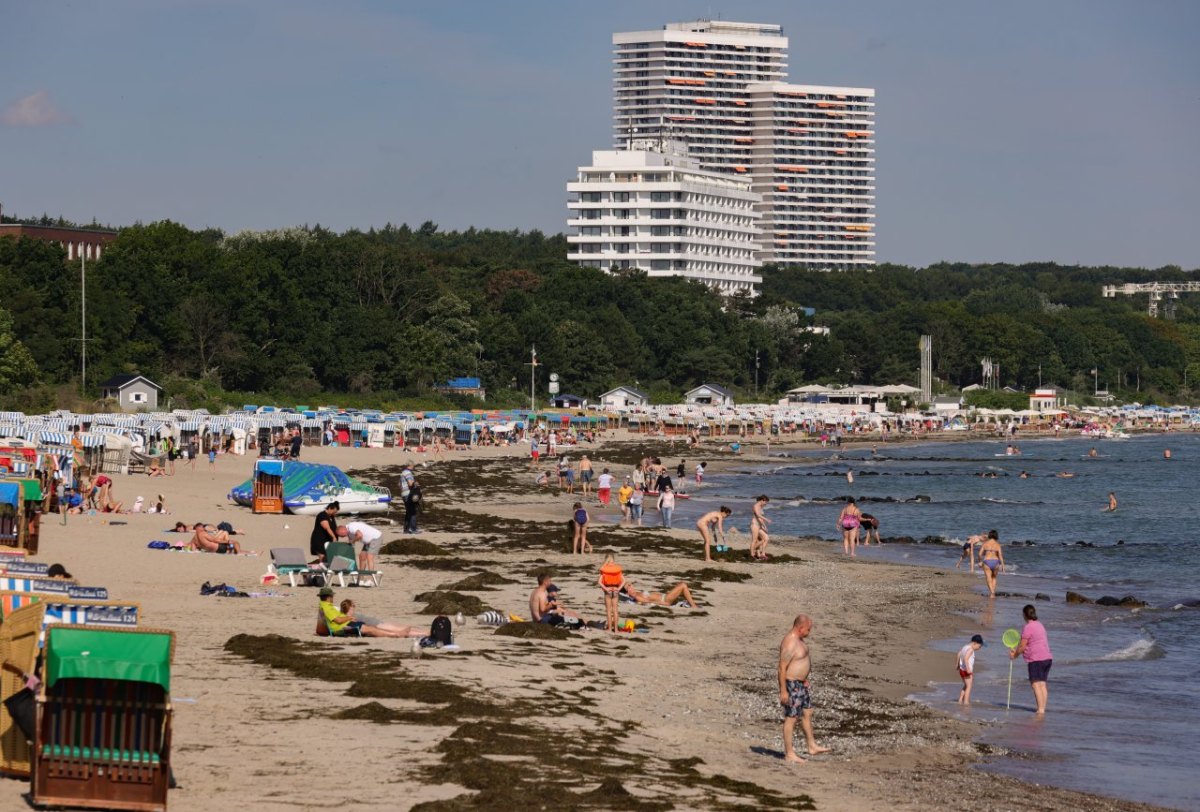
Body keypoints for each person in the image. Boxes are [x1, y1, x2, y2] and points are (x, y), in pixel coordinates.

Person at [778, 614, 831, 763]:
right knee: (791, 718)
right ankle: (789, 753)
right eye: (808, 629)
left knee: (807, 712)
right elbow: (782, 668)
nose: (810, 632)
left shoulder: (799, 639)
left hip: (801, 684)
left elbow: (798, 661)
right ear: (800, 628)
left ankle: (812, 745)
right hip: (792, 685)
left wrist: (804, 678)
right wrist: (783, 690)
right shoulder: (790, 643)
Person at [318, 587, 422, 638]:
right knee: (371, 630)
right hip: (343, 627)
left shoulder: (326, 606)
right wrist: (349, 618)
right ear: (329, 597)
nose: (333, 597)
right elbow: (338, 620)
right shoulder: (327, 608)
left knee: (372, 628)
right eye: (332, 596)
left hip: (346, 625)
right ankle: (395, 635)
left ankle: (395, 633)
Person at [1010, 604, 1053, 714]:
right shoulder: (1040, 625)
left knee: (1035, 684)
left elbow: (1022, 646)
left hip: (1036, 659)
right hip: (1047, 658)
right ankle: (1042, 708)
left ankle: (1040, 710)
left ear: (1024, 615)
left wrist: (1014, 655)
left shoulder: (1028, 627)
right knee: (1042, 684)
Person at [598, 554, 625, 632]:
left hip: (608, 591)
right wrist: (619, 589)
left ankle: (610, 628)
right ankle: (616, 629)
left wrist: (606, 588)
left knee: (609, 610)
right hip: (616, 590)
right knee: (615, 610)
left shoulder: (605, 570)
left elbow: (599, 582)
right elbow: (624, 581)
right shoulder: (617, 570)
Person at [623, 580, 697, 608]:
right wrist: (662, 603)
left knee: (681, 584)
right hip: (665, 599)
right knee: (683, 585)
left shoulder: (637, 593)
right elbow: (648, 602)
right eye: (628, 587)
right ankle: (694, 606)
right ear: (627, 592)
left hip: (665, 596)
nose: (631, 586)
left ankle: (692, 604)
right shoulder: (636, 596)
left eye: (630, 584)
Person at [957, 634, 986, 705]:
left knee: (966, 685)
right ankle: (966, 702)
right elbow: (966, 658)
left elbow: (959, 653)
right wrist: (968, 669)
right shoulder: (970, 649)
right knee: (969, 686)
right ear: (975, 643)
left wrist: (957, 664)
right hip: (966, 670)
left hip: (962, 670)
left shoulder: (965, 647)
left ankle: (960, 700)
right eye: (979, 646)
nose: (979, 648)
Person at [977, 529, 1005, 597]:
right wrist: (1003, 567)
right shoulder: (998, 545)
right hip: (996, 562)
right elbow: (1000, 555)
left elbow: (979, 554)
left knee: (988, 578)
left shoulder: (985, 543)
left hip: (987, 561)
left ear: (989, 535)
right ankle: (993, 592)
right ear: (996, 536)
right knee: (994, 577)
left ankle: (992, 592)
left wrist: (980, 561)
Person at [749, 495, 771, 560]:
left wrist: (764, 526)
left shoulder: (761, 507)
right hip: (754, 525)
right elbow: (758, 515)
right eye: (765, 502)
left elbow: (760, 519)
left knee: (766, 538)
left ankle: (762, 554)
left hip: (760, 526)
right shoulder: (755, 506)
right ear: (762, 500)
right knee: (754, 540)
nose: (766, 504)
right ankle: (752, 554)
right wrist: (767, 519)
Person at [399, 465, 418, 533]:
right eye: (413, 466)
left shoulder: (402, 473)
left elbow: (399, 485)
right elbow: (410, 484)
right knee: (412, 511)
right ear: (411, 466)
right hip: (408, 494)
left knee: (408, 511)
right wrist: (415, 484)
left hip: (403, 494)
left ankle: (406, 529)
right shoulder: (408, 473)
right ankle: (413, 529)